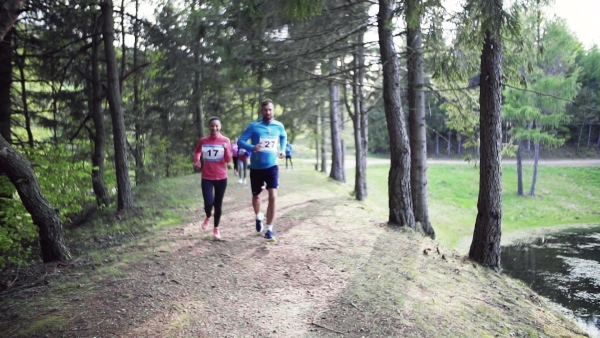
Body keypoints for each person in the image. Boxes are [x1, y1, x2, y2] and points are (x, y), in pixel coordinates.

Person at [238, 99, 287, 242]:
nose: (268, 112)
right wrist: (252, 147)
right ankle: (258, 216)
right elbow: (241, 141)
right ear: (262, 111)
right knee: (256, 197)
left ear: (273, 110)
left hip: (272, 166)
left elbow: (283, 136)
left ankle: (269, 229)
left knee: (273, 196)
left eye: (270, 110)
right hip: (256, 167)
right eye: (265, 110)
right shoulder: (254, 126)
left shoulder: (279, 125)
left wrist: (282, 149)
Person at [193, 116, 232, 240]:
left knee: (218, 204)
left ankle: (216, 229)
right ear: (209, 127)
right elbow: (197, 151)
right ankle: (208, 215)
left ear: (220, 127)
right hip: (207, 176)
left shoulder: (226, 140)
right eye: (212, 126)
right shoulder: (203, 140)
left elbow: (228, 160)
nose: (214, 128)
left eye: (217, 126)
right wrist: (197, 161)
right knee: (208, 202)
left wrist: (226, 150)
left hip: (221, 177)